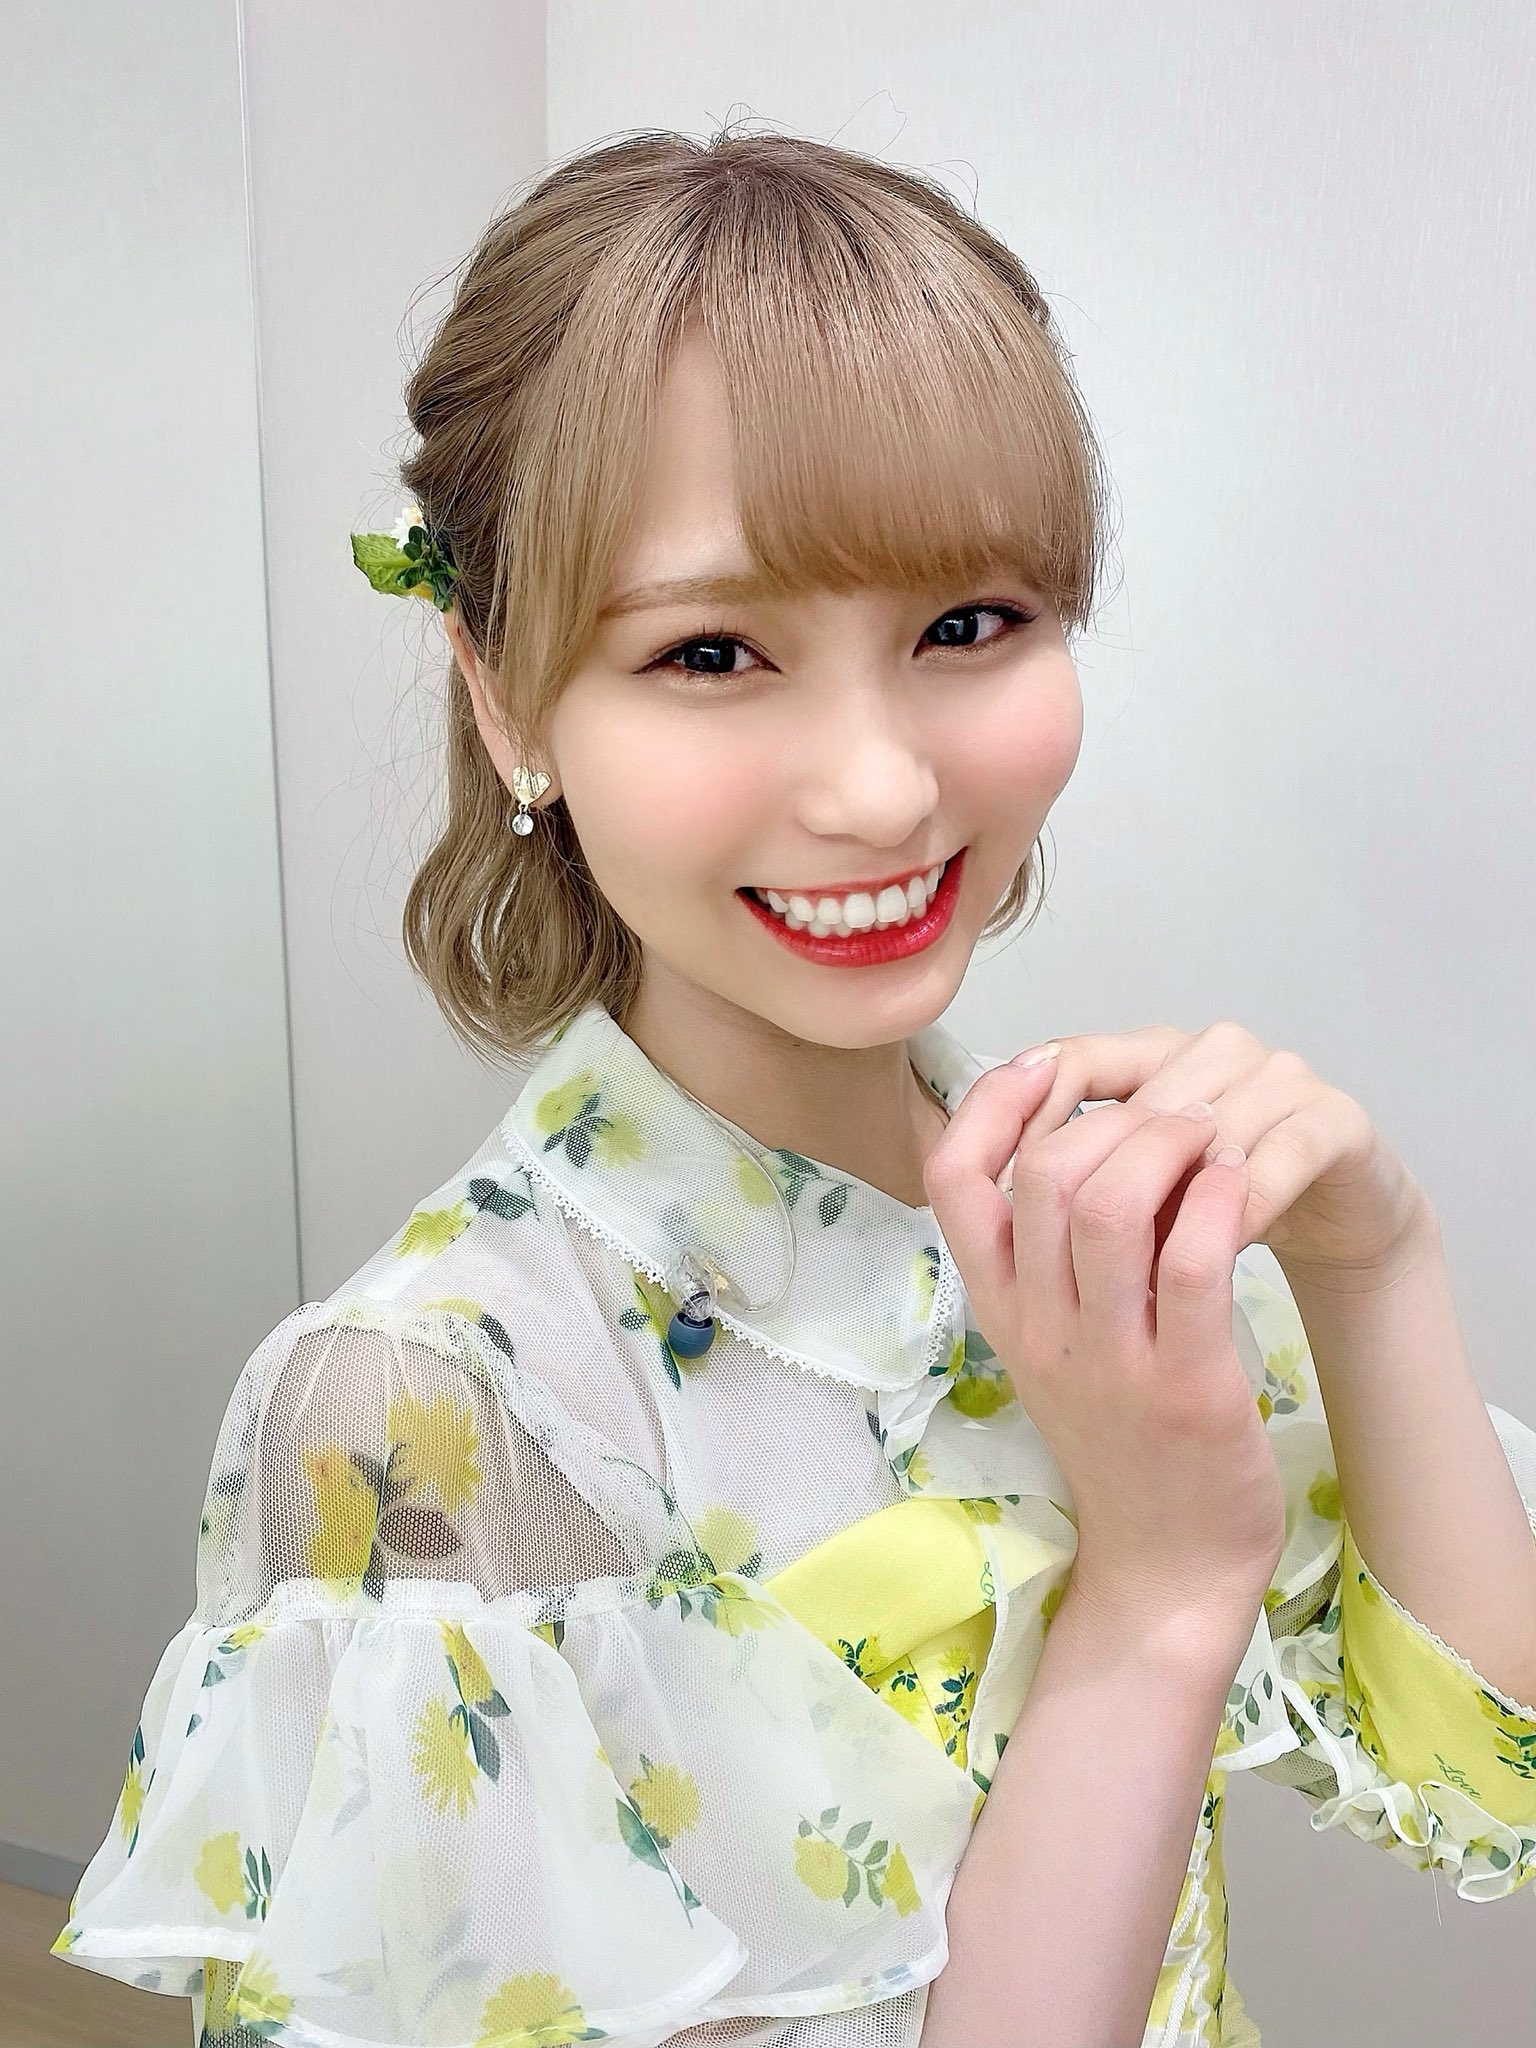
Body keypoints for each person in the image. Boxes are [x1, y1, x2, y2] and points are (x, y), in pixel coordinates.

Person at [51, 127, 1536, 2048]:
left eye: (967, 624)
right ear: (503, 696)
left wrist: (1371, 1259)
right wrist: (1164, 1597)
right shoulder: (436, 1418)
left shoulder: (1084, 1225)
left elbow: (1489, 1790)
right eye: (714, 652)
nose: (885, 789)